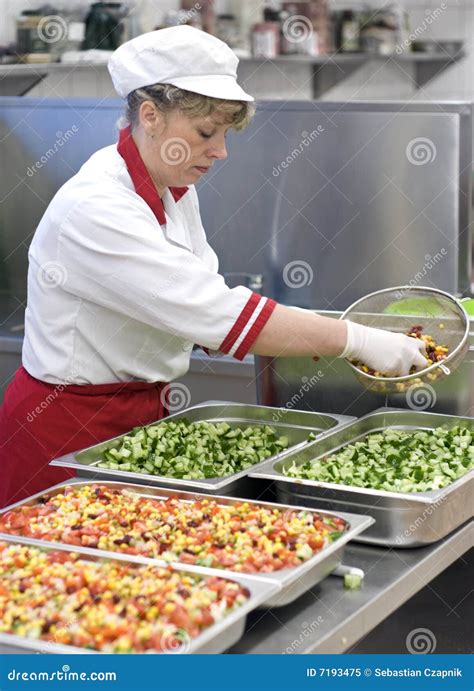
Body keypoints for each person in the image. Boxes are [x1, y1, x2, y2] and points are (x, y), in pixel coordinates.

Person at [0, 26, 426, 508]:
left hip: (138, 418)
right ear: (150, 115)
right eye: (206, 132)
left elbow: (204, 304)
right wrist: (359, 340)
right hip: (64, 433)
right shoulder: (98, 207)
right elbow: (218, 314)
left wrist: (316, 336)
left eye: (225, 134)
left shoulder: (175, 191)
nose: (221, 151)